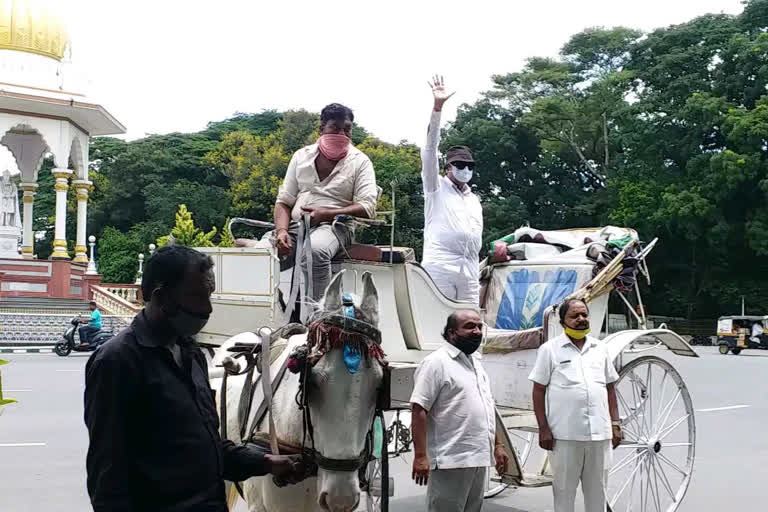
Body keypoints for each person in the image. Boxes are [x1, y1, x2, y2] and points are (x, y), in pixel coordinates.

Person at [84, 245, 302, 512]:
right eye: (197, 296)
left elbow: (208, 449)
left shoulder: (191, 355)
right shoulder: (117, 362)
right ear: (161, 297)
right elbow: (107, 472)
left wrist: (266, 462)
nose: (208, 307)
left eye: (209, 294)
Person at [273, 103, 378, 301]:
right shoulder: (300, 156)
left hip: (336, 227)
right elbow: (283, 202)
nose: (342, 134)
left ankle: (319, 318)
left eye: (347, 129)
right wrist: (282, 232)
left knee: (316, 251)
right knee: (261, 255)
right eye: (335, 128)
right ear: (322, 129)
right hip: (297, 227)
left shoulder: (360, 161)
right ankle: (273, 313)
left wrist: (326, 214)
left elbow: (367, 207)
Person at [528, 298, 622, 512]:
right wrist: (543, 429)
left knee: (598, 494)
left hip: (599, 436)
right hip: (565, 437)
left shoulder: (600, 348)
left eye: (584, 314)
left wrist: (615, 423)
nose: (581, 319)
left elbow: (609, 387)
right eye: (574, 316)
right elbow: (538, 390)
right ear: (563, 322)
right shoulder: (549, 350)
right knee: (563, 495)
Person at [410, 309, 509, 512]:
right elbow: (419, 408)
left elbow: (488, 408)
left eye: (479, 326)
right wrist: (420, 456)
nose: (476, 331)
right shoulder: (436, 363)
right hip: (450, 460)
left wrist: (498, 445)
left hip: (479, 458)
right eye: (469, 326)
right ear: (451, 333)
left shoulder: (476, 364)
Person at [420, 76, 483, 304]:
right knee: (440, 323)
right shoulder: (435, 188)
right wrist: (437, 109)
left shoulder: (474, 199)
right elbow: (429, 150)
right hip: (441, 265)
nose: (465, 169)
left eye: (469, 166)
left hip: (470, 268)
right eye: (459, 165)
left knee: (470, 323)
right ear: (447, 167)